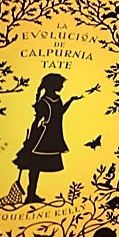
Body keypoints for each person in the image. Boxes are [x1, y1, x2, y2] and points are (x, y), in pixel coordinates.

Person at [13, 73, 82, 204]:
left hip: (53, 136)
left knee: (37, 166)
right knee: (35, 166)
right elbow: (36, 121)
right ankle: (30, 194)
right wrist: (31, 139)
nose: (62, 86)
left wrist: (71, 101)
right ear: (54, 85)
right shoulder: (44, 102)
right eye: (60, 84)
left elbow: (60, 112)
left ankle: (31, 194)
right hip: (42, 137)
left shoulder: (57, 99)